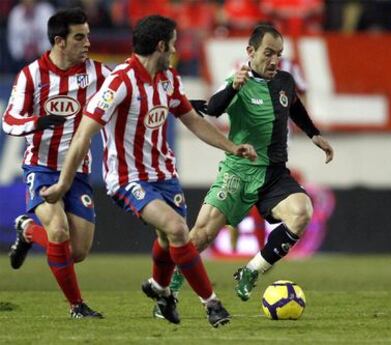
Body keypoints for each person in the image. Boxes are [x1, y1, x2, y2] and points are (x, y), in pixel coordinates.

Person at [40, 15, 257, 327]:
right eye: (173, 43)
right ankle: (213, 305)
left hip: (164, 174)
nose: (175, 49)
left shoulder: (169, 80)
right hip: (128, 178)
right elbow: (84, 134)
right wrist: (63, 183)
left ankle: (161, 290)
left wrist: (231, 147)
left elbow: (192, 120)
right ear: (161, 45)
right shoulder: (119, 82)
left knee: (169, 239)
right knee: (178, 230)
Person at [165, 24, 334, 302]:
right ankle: (169, 289)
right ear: (251, 51)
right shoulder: (237, 80)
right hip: (239, 172)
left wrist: (314, 134)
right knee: (202, 236)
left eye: (278, 54)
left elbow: (294, 106)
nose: (273, 60)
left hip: (274, 174)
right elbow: (214, 108)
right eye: (268, 53)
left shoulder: (285, 81)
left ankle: (251, 271)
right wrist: (233, 86)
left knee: (302, 212)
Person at [2, 7, 111, 318]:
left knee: (77, 252)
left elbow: (131, 84)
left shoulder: (98, 73)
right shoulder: (32, 75)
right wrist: (37, 122)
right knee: (59, 231)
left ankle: (27, 231)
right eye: (80, 37)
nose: (87, 43)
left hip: (77, 171)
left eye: (88, 36)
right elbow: (9, 120)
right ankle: (77, 306)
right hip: (41, 168)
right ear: (60, 41)